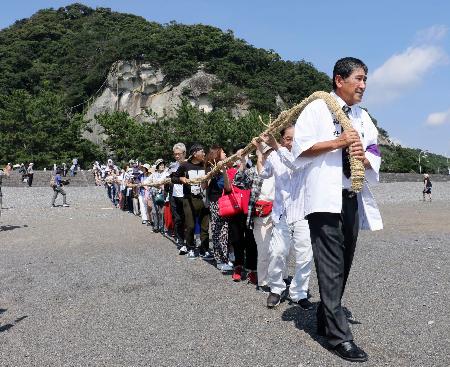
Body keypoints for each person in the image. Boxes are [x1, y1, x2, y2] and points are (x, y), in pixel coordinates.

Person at [289, 57, 383, 362]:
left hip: (350, 195)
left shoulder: (361, 115)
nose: (363, 85)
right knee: (330, 264)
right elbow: (300, 147)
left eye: (365, 79)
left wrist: (365, 158)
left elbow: (374, 148)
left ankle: (324, 316)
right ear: (339, 79)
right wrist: (338, 141)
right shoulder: (317, 108)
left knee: (344, 262)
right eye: (358, 78)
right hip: (323, 198)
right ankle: (339, 336)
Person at [257, 126, 314, 311]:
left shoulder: (306, 156)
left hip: (303, 214)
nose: (291, 143)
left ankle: (299, 292)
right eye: (288, 139)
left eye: (294, 139)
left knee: (304, 256)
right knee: (277, 252)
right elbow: (264, 173)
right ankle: (276, 288)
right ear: (282, 139)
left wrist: (274, 146)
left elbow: (293, 164)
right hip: (281, 214)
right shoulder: (275, 155)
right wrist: (262, 151)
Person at [172, 144, 212, 259]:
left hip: (203, 198)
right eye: (202, 152)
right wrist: (180, 178)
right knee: (190, 225)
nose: (204, 154)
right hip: (189, 199)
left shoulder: (206, 165)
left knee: (205, 226)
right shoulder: (185, 165)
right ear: (195, 153)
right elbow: (173, 178)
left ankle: (205, 249)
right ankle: (190, 248)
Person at [205, 145, 233, 271]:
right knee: (218, 230)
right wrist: (209, 175)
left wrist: (224, 171)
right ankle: (219, 259)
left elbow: (228, 188)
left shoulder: (225, 168)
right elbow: (203, 186)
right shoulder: (210, 169)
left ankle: (224, 257)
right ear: (216, 154)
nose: (226, 154)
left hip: (225, 201)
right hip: (215, 202)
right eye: (223, 152)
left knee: (225, 231)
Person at [168, 143, 187, 247]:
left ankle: (189, 241)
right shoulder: (172, 166)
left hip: (186, 195)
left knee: (188, 219)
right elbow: (168, 179)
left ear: (184, 153)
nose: (177, 156)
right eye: (175, 154)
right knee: (178, 219)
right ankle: (180, 240)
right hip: (175, 195)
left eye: (179, 154)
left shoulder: (189, 164)